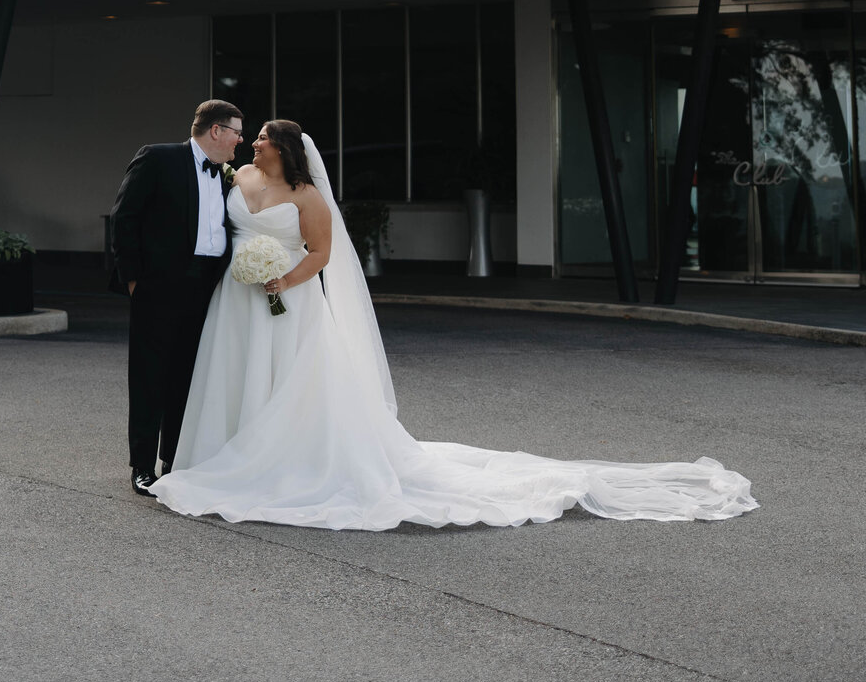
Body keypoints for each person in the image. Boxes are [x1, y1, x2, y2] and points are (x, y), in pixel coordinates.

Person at [151, 121, 758, 530]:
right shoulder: (241, 179)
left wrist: (282, 280)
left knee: (290, 384)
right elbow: (227, 222)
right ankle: (219, 451)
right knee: (235, 374)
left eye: (260, 139)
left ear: (282, 149)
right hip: (238, 303)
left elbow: (321, 254)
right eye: (250, 138)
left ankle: (279, 462)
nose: (252, 144)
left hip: (288, 300)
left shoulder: (309, 197)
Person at [108, 99, 243, 496]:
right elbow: (125, 217)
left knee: (188, 376)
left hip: (206, 289)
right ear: (216, 131)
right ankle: (142, 466)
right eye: (236, 131)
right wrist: (133, 279)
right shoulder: (158, 158)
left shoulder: (226, 175)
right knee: (150, 376)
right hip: (158, 287)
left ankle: (174, 459)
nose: (240, 140)